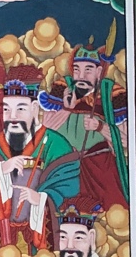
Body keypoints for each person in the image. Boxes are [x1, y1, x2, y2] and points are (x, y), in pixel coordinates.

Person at [0, 66, 80, 252]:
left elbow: (70, 187)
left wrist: (41, 198)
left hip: (39, 242)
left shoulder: (56, 145)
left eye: (20, 109)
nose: (13, 117)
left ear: (34, 108)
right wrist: (0, 170)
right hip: (1, 239)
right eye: (6, 109)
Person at [40, 29, 129, 210]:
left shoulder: (112, 94)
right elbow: (45, 128)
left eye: (88, 70)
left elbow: (126, 141)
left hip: (100, 166)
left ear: (99, 71)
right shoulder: (63, 88)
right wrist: (67, 108)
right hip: (66, 166)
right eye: (77, 69)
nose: (81, 76)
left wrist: (100, 127)